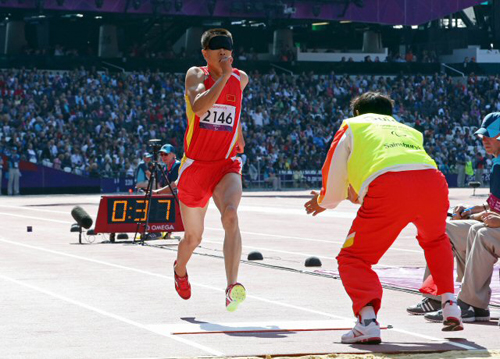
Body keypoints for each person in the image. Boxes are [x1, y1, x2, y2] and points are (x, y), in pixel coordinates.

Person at [304, 92, 463, 344]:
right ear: (389, 113)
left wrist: (325, 200)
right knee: (435, 239)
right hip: (433, 182)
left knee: (353, 258)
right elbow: (396, 170)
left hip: (389, 187)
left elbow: (334, 172)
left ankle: (366, 322)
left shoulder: (352, 125)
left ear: (358, 112)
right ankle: (450, 304)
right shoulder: (408, 131)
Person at [173, 28, 249, 312]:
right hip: (195, 166)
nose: (224, 57)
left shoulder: (241, 78)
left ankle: (232, 287)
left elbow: (234, 108)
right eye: (218, 52)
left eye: (227, 52)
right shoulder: (196, 74)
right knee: (194, 238)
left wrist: (238, 133)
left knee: (230, 214)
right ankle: (180, 269)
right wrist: (225, 77)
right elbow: (200, 106)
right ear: (206, 54)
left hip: (225, 164)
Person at [407, 112, 500, 324]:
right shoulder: (497, 163)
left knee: (482, 233)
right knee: (444, 229)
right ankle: (437, 296)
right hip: (494, 224)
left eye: (491, 135)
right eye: (482, 135)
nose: (484, 140)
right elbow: (494, 204)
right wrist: (468, 210)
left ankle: (471, 303)